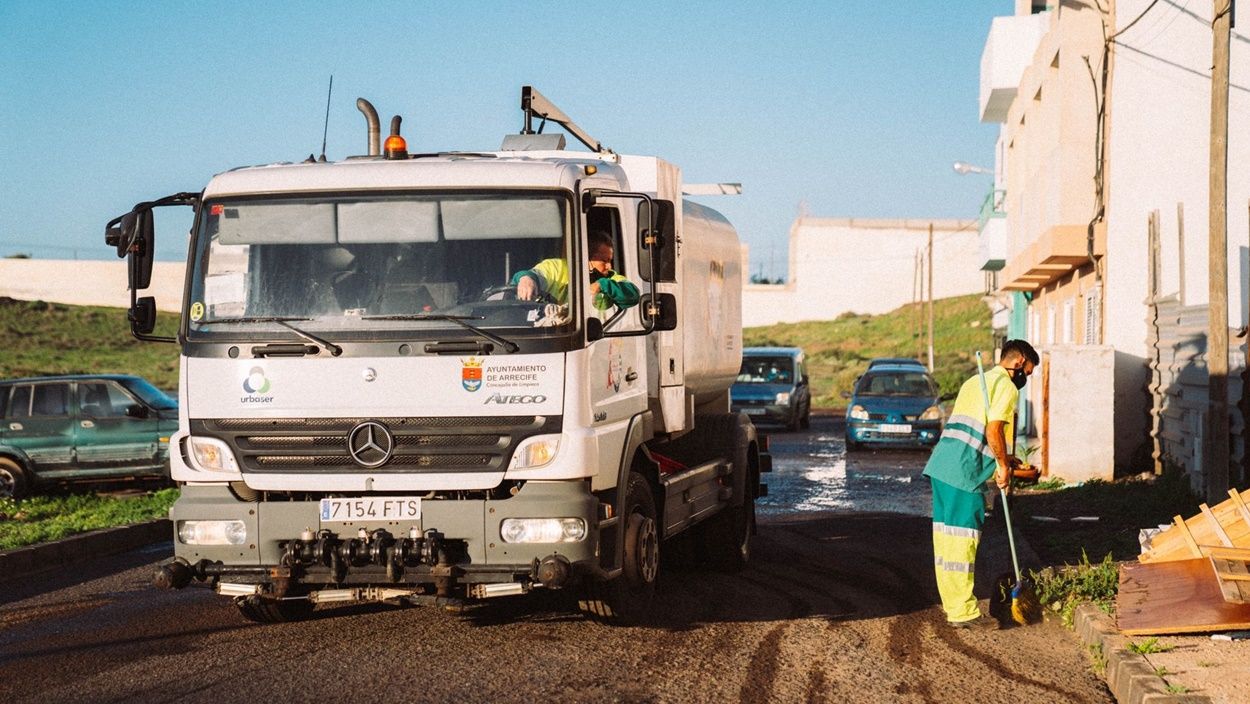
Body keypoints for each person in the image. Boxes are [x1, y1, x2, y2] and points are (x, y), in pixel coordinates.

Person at [922, 339, 1039, 629]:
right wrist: (1001, 467)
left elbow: (976, 431)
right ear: (1019, 362)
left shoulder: (975, 381)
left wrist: (1004, 458)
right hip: (964, 473)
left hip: (943, 466)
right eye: (1029, 370)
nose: (1027, 377)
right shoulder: (1006, 386)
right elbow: (994, 428)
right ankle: (964, 613)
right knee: (962, 543)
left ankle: (957, 608)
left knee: (948, 543)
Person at [512, 231, 639, 311]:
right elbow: (530, 275)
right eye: (604, 261)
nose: (609, 266)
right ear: (586, 258)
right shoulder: (556, 267)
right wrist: (526, 279)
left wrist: (602, 285)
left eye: (610, 260)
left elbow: (633, 295)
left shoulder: (611, 278)